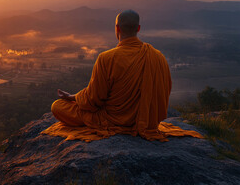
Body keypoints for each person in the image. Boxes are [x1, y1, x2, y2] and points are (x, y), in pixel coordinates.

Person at [42, 10, 203, 142]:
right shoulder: (157, 56)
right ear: (138, 29)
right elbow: (165, 90)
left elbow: (93, 100)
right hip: (147, 120)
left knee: (57, 106)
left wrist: (73, 98)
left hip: (112, 120)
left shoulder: (107, 58)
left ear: (117, 28)